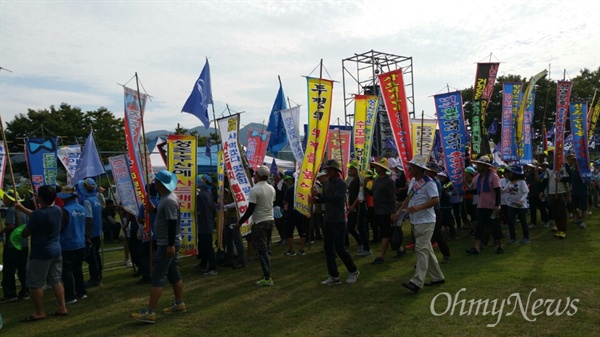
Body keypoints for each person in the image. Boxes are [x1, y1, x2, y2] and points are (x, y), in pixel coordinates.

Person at [131, 170, 185, 324]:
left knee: (158, 276)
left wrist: (169, 245)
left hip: (166, 243)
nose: (153, 183)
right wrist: (153, 209)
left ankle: (150, 312)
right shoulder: (165, 198)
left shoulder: (168, 200)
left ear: (160, 183)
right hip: (169, 242)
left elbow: (171, 223)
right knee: (173, 274)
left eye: (156, 181)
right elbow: (165, 217)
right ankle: (179, 303)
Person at [17, 185, 68, 321]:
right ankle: (62, 307)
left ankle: (40, 312)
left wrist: (21, 231)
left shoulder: (39, 214)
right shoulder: (57, 210)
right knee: (56, 280)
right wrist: (22, 209)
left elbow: (26, 232)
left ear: (40, 198)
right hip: (56, 250)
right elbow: (36, 215)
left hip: (41, 252)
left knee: (35, 283)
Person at [398, 155, 444, 293]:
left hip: (426, 221)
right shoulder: (413, 181)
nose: (409, 168)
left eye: (412, 166)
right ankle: (438, 277)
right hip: (416, 220)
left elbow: (435, 200)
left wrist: (418, 207)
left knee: (421, 249)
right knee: (427, 250)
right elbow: (408, 198)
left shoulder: (429, 183)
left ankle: (417, 282)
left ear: (418, 168)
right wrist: (399, 212)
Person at [312, 159, 360, 285]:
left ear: (335, 171)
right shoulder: (327, 183)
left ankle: (353, 270)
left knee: (340, 248)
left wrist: (320, 197)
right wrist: (315, 198)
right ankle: (334, 275)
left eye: (329, 169)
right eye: (326, 169)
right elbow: (324, 199)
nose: (327, 171)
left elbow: (337, 199)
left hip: (338, 220)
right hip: (327, 218)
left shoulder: (342, 184)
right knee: (328, 249)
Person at [235, 165, 276, 287]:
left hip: (260, 222)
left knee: (262, 251)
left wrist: (240, 222)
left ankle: (267, 277)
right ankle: (266, 275)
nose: (254, 176)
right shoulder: (271, 188)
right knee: (266, 250)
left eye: (255, 175)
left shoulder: (255, 190)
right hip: (270, 220)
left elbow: (250, 209)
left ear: (258, 176)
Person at [466, 155, 504, 255]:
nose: (477, 166)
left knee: (495, 227)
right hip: (481, 206)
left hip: (491, 206)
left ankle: (500, 245)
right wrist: (465, 192)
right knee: (479, 227)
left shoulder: (493, 176)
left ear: (485, 166)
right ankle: (477, 247)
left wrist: (497, 204)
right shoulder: (477, 178)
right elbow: (476, 191)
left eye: (480, 165)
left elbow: (498, 190)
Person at [57, 186, 88, 304]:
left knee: (66, 271)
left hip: (67, 244)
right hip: (80, 242)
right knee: (78, 269)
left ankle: (70, 296)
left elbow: (60, 227)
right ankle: (82, 291)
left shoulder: (64, 211)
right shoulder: (81, 208)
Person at [371, 158, 402, 264]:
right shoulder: (377, 180)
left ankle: (381, 256)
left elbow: (392, 197)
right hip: (378, 210)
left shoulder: (389, 181)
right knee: (387, 232)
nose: (376, 168)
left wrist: (393, 212)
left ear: (383, 169)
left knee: (385, 234)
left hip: (386, 211)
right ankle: (400, 249)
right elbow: (373, 193)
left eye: (378, 167)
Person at [0, 190, 29, 303]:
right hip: (24, 244)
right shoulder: (23, 210)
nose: (4, 200)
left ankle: (10, 293)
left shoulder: (12, 210)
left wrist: (1, 232)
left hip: (13, 244)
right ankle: (25, 290)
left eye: (6, 198)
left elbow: (10, 225)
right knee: (22, 269)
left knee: (9, 270)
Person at [78, 178, 103, 287]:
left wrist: (87, 235)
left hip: (91, 233)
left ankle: (95, 278)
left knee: (92, 258)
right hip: (98, 231)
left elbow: (89, 218)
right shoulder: (96, 199)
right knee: (96, 256)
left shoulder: (87, 201)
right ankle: (98, 276)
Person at [346, 159, 371, 256]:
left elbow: (360, 195)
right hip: (353, 208)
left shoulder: (361, 181)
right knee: (350, 227)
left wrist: (353, 205)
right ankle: (360, 242)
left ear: (356, 169)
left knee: (361, 228)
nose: (350, 170)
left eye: (352, 168)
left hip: (360, 207)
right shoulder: (353, 181)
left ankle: (367, 248)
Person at [196, 174, 217, 275]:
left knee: (207, 246)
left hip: (204, 224)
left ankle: (212, 267)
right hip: (208, 222)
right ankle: (203, 263)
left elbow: (198, 211)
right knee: (205, 245)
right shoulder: (208, 193)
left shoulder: (201, 196)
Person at [503, 165, 530, 244]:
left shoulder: (522, 182)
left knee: (523, 221)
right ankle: (512, 238)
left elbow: (526, 192)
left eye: (510, 173)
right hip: (511, 205)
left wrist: (521, 200)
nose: (508, 174)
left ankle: (526, 237)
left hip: (521, 206)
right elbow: (504, 190)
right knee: (511, 221)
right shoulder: (510, 182)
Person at [283, 175, 307, 256]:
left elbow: (286, 201)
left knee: (290, 232)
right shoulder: (303, 190)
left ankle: (291, 250)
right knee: (302, 231)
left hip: (291, 213)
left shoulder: (289, 190)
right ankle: (302, 249)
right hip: (300, 212)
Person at [566, 154, 589, 229]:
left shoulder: (584, 170)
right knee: (573, 207)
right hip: (575, 191)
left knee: (584, 207)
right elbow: (570, 179)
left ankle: (583, 222)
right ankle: (579, 217)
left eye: (575, 160)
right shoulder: (572, 170)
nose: (574, 162)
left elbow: (588, 180)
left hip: (583, 191)